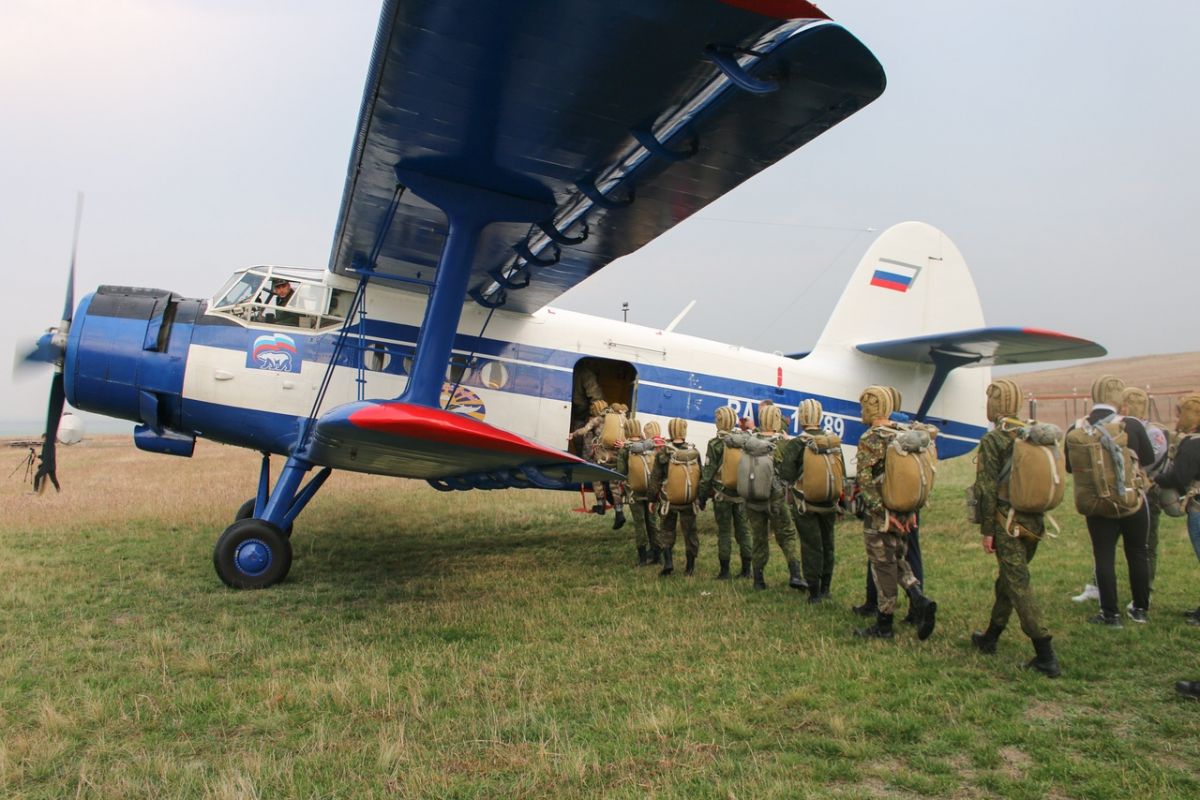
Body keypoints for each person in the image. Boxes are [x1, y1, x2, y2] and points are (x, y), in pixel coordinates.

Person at [969, 379, 1060, 677]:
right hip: (1035, 520)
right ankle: (991, 637)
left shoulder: (995, 440)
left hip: (1006, 523)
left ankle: (1044, 653)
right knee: (1007, 582)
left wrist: (986, 530)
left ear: (996, 405)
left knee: (1018, 585)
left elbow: (985, 489)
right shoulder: (1031, 433)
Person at [1064, 375, 1155, 627]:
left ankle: (1110, 613)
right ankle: (1139, 609)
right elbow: (1147, 458)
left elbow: (1070, 467)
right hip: (1131, 499)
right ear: (1120, 398)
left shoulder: (1076, 428)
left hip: (1096, 502)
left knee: (1103, 556)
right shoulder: (1131, 425)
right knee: (1137, 552)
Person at [853, 386, 937, 640]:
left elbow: (865, 481)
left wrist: (879, 512)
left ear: (873, 407)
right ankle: (918, 598)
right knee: (899, 557)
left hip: (881, 513)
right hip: (904, 509)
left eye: (864, 406)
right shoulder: (903, 434)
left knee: (882, 565)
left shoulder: (871, 438)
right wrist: (909, 511)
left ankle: (884, 623)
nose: (861, 411)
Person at [780, 398, 843, 603]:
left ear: (802, 417)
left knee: (811, 546)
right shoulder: (833, 442)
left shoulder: (799, 443)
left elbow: (786, 473)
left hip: (805, 503)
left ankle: (814, 592)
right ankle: (826, 588)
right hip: (830, 501)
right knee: (828, 543)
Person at [744, 404, 805, 591]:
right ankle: (795, 573)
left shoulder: (750, 442)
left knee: (759, 537)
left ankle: (758, 580)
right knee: (786, 535)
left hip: (753, 499)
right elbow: (795, 470)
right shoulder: (784, 444)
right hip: (776, 499)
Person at [1153, 392, 1200, 624]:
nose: (1176, 416)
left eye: (1180, 412)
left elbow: (1179, 477)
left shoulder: (1193, 445)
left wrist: (1157, 479)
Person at [1120, 386, 1169, 591]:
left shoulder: (1154, 433)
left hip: (1147, 493)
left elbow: (1150, 461)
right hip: (1129, 491)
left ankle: (1145, 588)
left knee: (1147, 544)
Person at [698, 406, 752, 579]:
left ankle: (725, 571)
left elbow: (708, 473)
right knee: (744, 531)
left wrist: (701, 496)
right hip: (742, 493)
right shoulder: (745, 440)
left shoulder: (715, 444)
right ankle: (746, 570)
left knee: (724, 532)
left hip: (722, 494)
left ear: (719, 422)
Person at [649, 418, 702, 577]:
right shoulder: (694, 452)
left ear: (671, 431)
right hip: (688, 501)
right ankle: (690, 567)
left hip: (669, 501)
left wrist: (652, 499)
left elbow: (655, 478)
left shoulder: (664, 453)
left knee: (666, 530)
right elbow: (701, 476)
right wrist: (699, 497)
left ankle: (669, 563)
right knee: (690, 533)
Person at [616, 418, 660, 566]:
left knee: (639, 523)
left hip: (635, 493)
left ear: (627, 431)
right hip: (652, 492)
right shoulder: (651, 446)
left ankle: (642, 558)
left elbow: (621, 473)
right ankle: (657, 555)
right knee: (652, 522)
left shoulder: (625, 449)